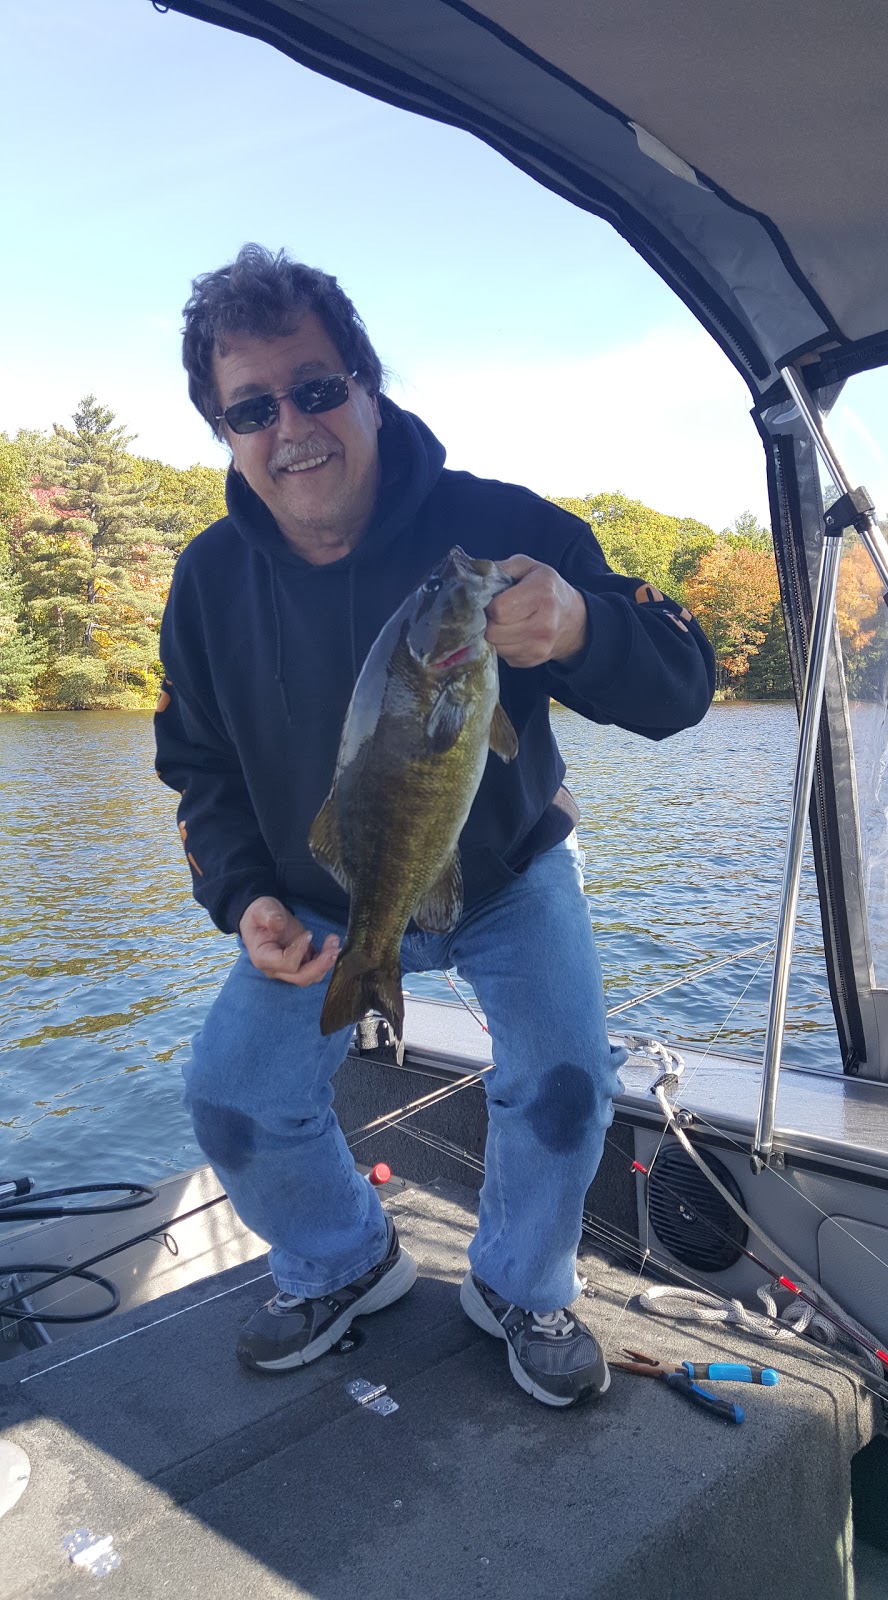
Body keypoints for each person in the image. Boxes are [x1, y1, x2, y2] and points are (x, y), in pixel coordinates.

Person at [155, 244, 715, 1408]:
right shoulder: (207, 582)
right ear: (224, 427)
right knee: (234, 1093)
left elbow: (682, 687)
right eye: (251, 407)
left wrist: (578, 632)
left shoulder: (505, 531)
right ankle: (344, 1260)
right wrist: (245, 895)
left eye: (314, 388)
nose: (291, 427)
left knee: (565, 1083)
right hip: (333, 890)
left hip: (506, 871)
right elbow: (197, 766)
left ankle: (519, 1283)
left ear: (366, 383)